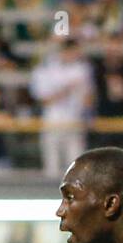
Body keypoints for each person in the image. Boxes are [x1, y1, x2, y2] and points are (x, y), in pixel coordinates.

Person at [29, 38, 94, 178]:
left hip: (75, 121)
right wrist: (66, 91)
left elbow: (88, 99)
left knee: (77, 169)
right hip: (52, 121)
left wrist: (87, 114)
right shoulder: (48, 69)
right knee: (52, 167)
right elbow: (42, 99)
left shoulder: (82, 69)